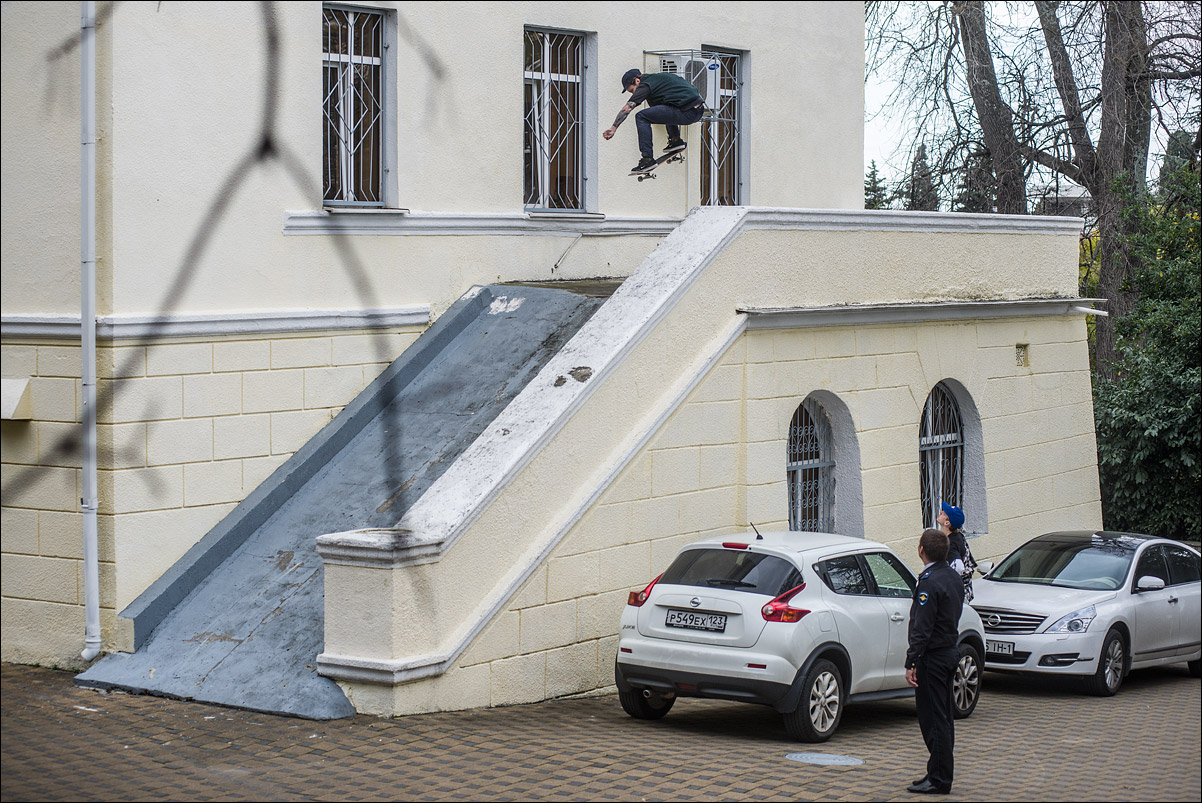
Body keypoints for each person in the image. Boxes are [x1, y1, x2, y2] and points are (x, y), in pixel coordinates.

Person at [905, 528, 965, 795]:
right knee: (943, 717)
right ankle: (937, 771)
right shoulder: (952, 576)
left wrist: (911, 661)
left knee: (934, 719)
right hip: (949, 651)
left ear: (921, 550)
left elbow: (923, 627)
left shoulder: (929, 582)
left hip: (934, 657)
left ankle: (940, 778)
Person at [602, 68, 706, 174]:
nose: (634, 94)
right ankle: (675, 140)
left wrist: (613, 128)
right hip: (697, 110)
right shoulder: (657, 81)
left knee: (641, 116)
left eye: (632, 90)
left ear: (637, 80)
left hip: (688, 112)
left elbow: (627, 108)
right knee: (663, 107)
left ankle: (647, 159)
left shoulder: (645, 85)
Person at [938, 501, 977, 602]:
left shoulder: (950, 544)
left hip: (956, 597)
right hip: (964, 594)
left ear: (947, 523)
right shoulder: (958, 536)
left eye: (944, 513)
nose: (941, 512)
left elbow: (959, 568)